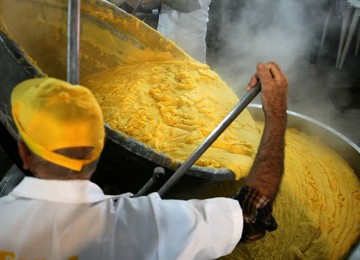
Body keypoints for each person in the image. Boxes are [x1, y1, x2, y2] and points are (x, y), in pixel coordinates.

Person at [0, 61, 287, 259]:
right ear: (99, 152)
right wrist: (275, 113)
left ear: (23, 152)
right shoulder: (140, 227)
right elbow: (251, 215)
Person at [127, 0, 212, 63]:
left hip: (187, 43)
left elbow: (189, 5)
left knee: (190, 80)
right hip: (165, 38)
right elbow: (160, 4)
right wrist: (142, 3)